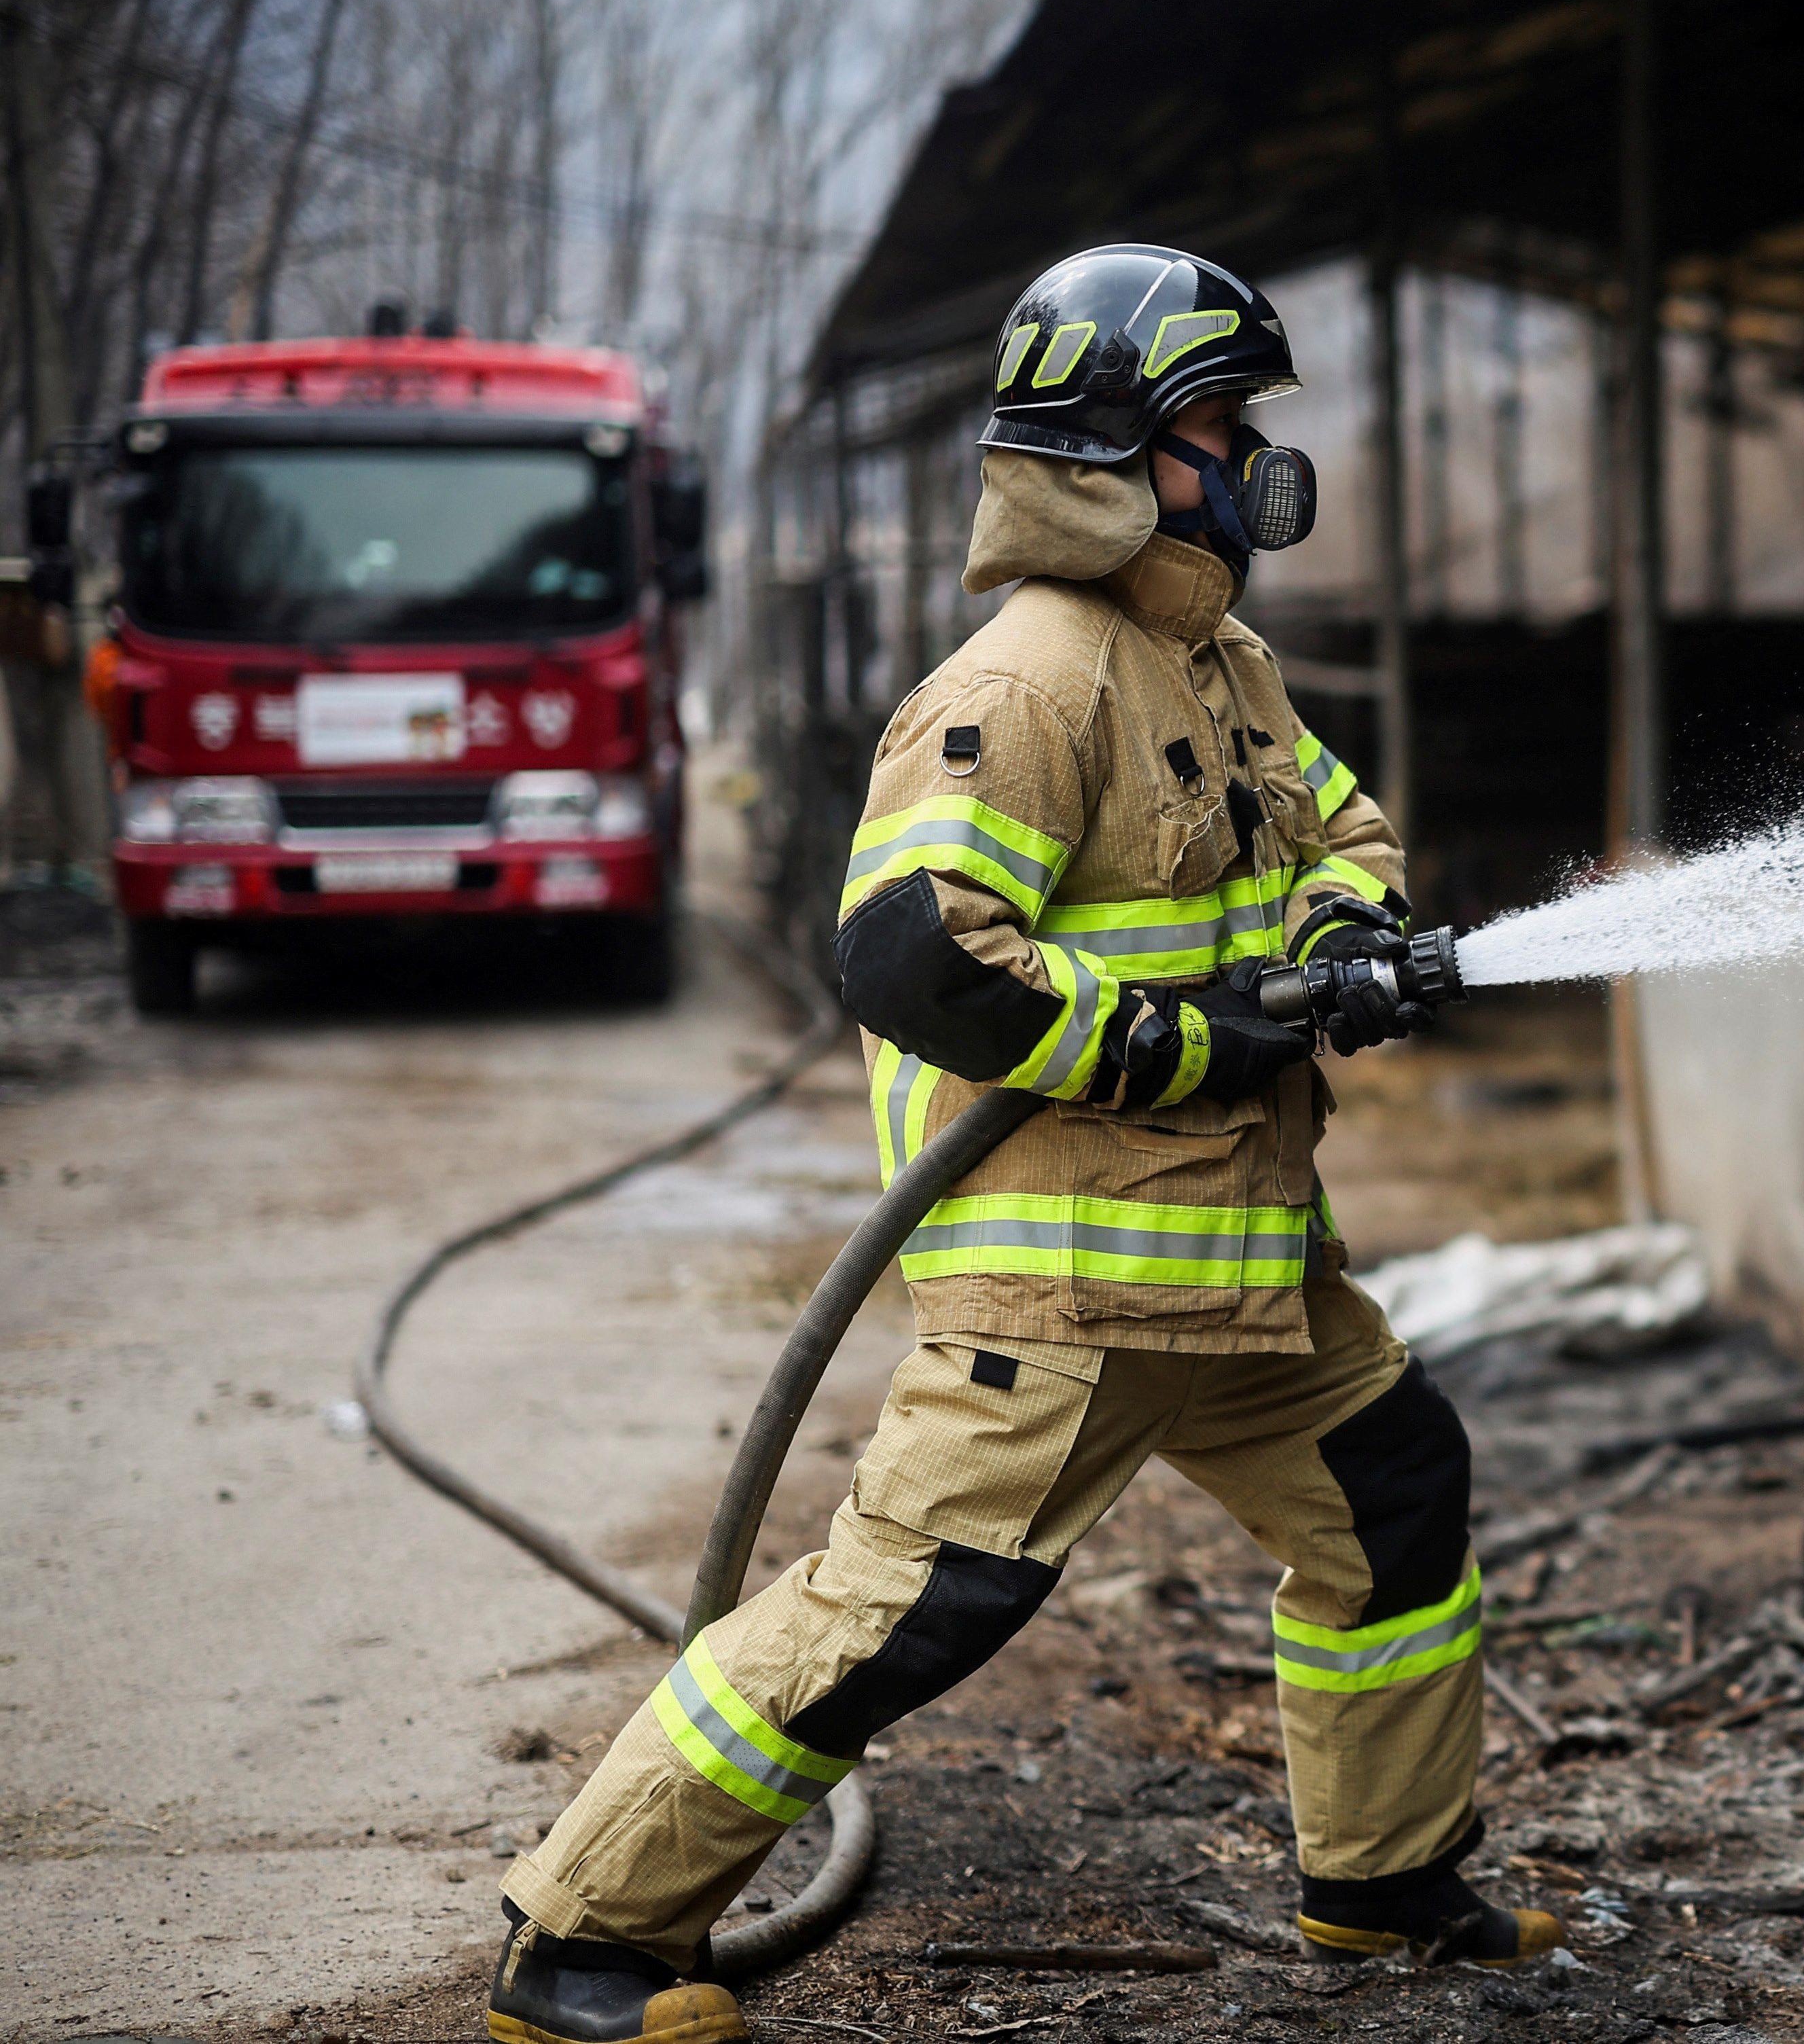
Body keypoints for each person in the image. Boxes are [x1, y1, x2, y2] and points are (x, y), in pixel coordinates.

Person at [487, 244, 1548, 2044]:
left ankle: (1383, 1884)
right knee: (911, 1608)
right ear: (1121, 451)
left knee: (1393, 1502)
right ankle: (579, 1940)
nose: (1250, 465)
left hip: (1235, 1263)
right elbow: (915, 954)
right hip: (1063, 1277)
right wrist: (1173, 1041)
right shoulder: (1030, 686)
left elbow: (1336, 837)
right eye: (1220, 425)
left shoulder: (1216, 661)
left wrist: (1343, 933)